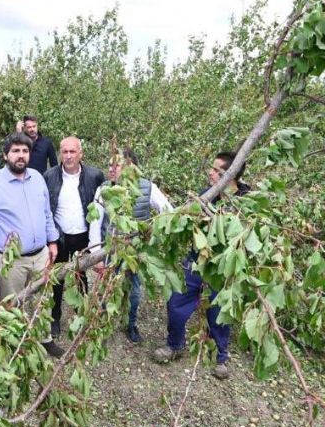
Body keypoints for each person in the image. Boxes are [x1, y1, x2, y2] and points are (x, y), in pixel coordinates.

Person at [153, 151, 250, 379]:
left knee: (219, 311)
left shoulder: (247, 200)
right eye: (213, 169)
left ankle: (221, 356)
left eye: (217, 171)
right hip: (197, 260)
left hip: (223, 267)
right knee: (176, 300)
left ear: (231, 175)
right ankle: (175, 345)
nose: (211, 173)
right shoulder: (206, 195)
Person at [0, 132, 64, 357]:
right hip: (8, 259)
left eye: (25, 151)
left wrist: (52, 241)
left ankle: (44, 339)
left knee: (43, 299)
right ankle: (16, 344)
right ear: (5, 155)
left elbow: (46, 213)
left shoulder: (37, 178)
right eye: (15, 151)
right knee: (11, 304)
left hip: (40, 254)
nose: (20, 156)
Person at [89, 149, 173, 343]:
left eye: (116, 165)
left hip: (136, 250)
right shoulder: (104, 189)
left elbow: (168, 212)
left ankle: (130, 323)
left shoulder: (147, 188)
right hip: (110, 248)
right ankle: (100, 321)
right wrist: (95, 254)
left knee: (134, 290)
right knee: (105, 286)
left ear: (131, 168)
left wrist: (153, 231)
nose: (111, 169)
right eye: (109, 165)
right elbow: (95, 222)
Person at [43, 136, 105, 338]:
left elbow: (101, 208)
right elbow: (45, 208)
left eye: (72, 151)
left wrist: (97, 242)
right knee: (57, 279)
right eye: (65, 151)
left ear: (81, 153)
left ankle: (82, 315)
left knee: (81, 276)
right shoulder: (50, 176)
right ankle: (55, 318)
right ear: (60, 153)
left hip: (82, 236)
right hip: (59, 237)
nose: (68, 156)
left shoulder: (95, 176)